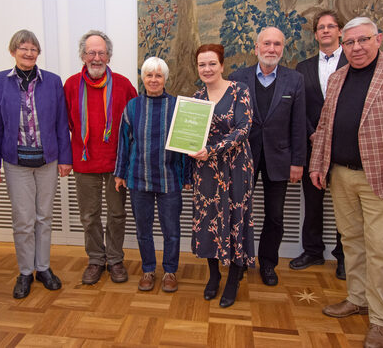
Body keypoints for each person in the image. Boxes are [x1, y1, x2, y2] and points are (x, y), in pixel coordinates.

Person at [309, 17, 383, 348]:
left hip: (380, 178)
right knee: (352, 243)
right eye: (349, 43)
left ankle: (380, 319)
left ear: (378, 39)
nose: (356, 48)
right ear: (342, 46)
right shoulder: (337, 79)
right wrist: (317, 165)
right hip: (341, 175)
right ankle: (357, 299)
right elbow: (325, 125)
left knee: (381, 250)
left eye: (363, 40)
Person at [0, 30, 72, 299]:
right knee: (23, 220)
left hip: (47, 161)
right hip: (16, 163)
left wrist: (66, 158)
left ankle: (43, 268)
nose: (28, 53)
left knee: (44, 218)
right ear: (13, 51)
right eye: (23, 48)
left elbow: (61, 122)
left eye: (33, 48)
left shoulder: (52, 82)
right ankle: (25, 272)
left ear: (38, 53)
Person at [229, 27, 306, 286]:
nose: (271, 49)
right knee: (239, 212)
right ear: (256, 48)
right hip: (242, 157)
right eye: (266, 44)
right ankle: (238, 262)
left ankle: (268, 264)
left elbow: (298, 124)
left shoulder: (294, 80)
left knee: (275, 215)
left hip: (279, 159)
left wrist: (298, 162)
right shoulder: (237, 78)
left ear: (283, 49)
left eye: (277, 44)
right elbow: (228, 121)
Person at [64, 30, 137, 285]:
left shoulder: (124, 84)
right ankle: (96, 259)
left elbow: (134, 125)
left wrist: (130, 163)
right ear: (83, 55)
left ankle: (115, 259)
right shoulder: (71, 85)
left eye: (101, 52)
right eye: (91, 52)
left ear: (109, 56)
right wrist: (65, 158)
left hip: (117, 164)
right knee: (89, 215)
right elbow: (65, 124)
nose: (96, 57)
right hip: (84, 163)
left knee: (117, 214)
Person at [114, 57, 190, 292]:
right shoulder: (133, 107)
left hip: (170, 179)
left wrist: (187, 177)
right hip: (138, 178)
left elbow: (187, 145)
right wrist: (120, 173)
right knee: (143, 229)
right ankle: (148, 269)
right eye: (149, 75)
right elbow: (124, 143)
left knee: (172, 230)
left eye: (158, 75)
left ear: (165, 79)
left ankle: (170, 272)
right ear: (143, 78)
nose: (154, 80)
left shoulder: (178, 106)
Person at [190, 44, 255, 308]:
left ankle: (234, 277)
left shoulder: (240, 90)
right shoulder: (196, 98)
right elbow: (191, 134)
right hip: (205, 170)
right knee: (208, 221)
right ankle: (214, 275)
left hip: (236, 167)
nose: (207, 69)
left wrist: (213, 149)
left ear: (222, 65)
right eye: (202, 65)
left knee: (237, 218)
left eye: (212, 64)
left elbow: (243, 129)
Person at [291, 10, 347, 279]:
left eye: (331, 26)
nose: (325, 30)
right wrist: (313, 134)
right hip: (312, 145)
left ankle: (345, 256)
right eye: (321, 27)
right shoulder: (303, 68)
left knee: (345, 204)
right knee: (312, 202)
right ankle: (313, 251)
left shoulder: (354, 62)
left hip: (346, 147)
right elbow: (298, 108)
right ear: (315, 34)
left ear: (340, 32)